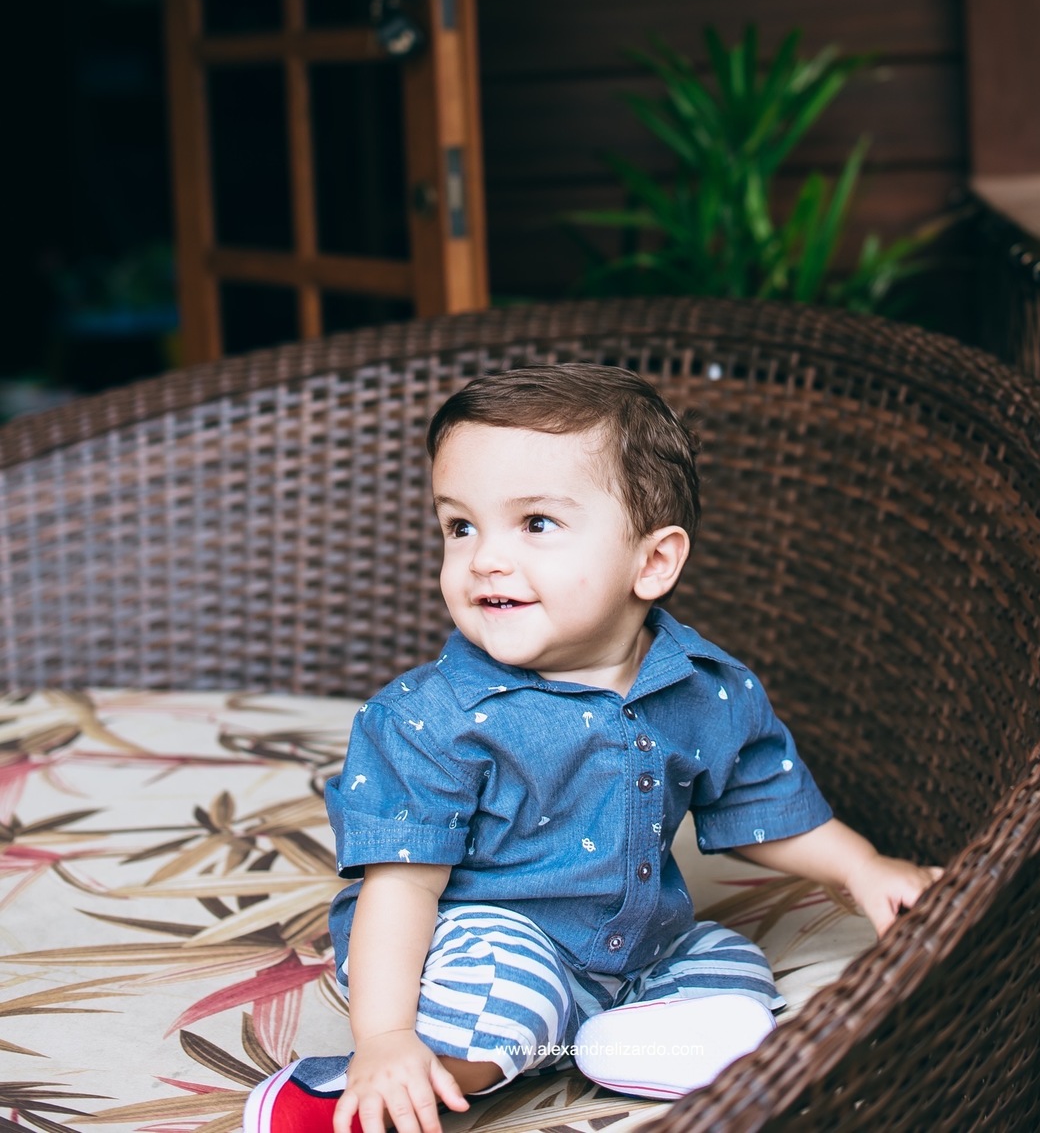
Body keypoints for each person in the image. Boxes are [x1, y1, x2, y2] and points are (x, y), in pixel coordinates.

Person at [245, 366, 940, 1133]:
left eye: (535, 523)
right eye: (460, 526)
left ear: (653, 563)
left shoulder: (703, 687)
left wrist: (862, 866)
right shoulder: (432, 717)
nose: (483, 559)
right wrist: (384, 1036)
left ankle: (612, 1039)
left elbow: (761, 800)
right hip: (481, 932)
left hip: (642, 941)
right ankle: (359, 1093)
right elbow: (401, 891)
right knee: (505, 994)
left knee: (729, 960)